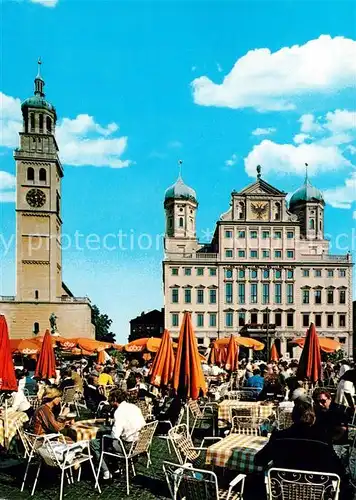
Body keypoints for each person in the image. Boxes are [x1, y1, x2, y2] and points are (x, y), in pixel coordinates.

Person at [255, 399, 345, 477]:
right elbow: (337, 468)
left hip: (282, 490)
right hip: (316, 491)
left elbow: (259, 460)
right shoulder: (323, 439)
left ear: (292, 417)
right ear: (313, 419)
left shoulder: (278, 437)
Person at [93, 389, 145, 480]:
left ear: (115, 399)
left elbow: (115, 435)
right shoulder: (134, 407)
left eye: (110, 399)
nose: (109, 401)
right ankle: (115, 468)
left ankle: (106, 472)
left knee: (95, 443)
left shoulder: (119, 412)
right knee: (108, 441)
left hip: (128, 447)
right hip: (141, 442)